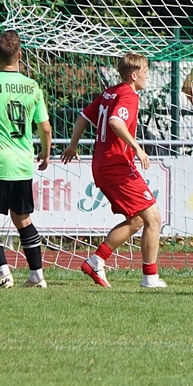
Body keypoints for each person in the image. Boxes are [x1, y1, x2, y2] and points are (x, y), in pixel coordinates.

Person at [61, 54, 166, 289]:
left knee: (137, 220)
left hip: (103, 165)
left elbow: (83, 116)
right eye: (145, 72)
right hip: (116, 166)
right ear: (134, 75)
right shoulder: (128, 95)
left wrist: (73, 145)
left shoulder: (111, 92)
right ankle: (150, 278)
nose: (148, 76)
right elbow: (115, 122)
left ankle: (96, 261)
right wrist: (137, 148)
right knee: (153, 218)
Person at [0, 30, 52, 289]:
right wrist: (45, 152)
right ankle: (36, 275)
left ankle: (3, 272)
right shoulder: (33, 87)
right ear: (20, 55)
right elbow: (45, 128)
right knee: (23, 220)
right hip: (23, 164)